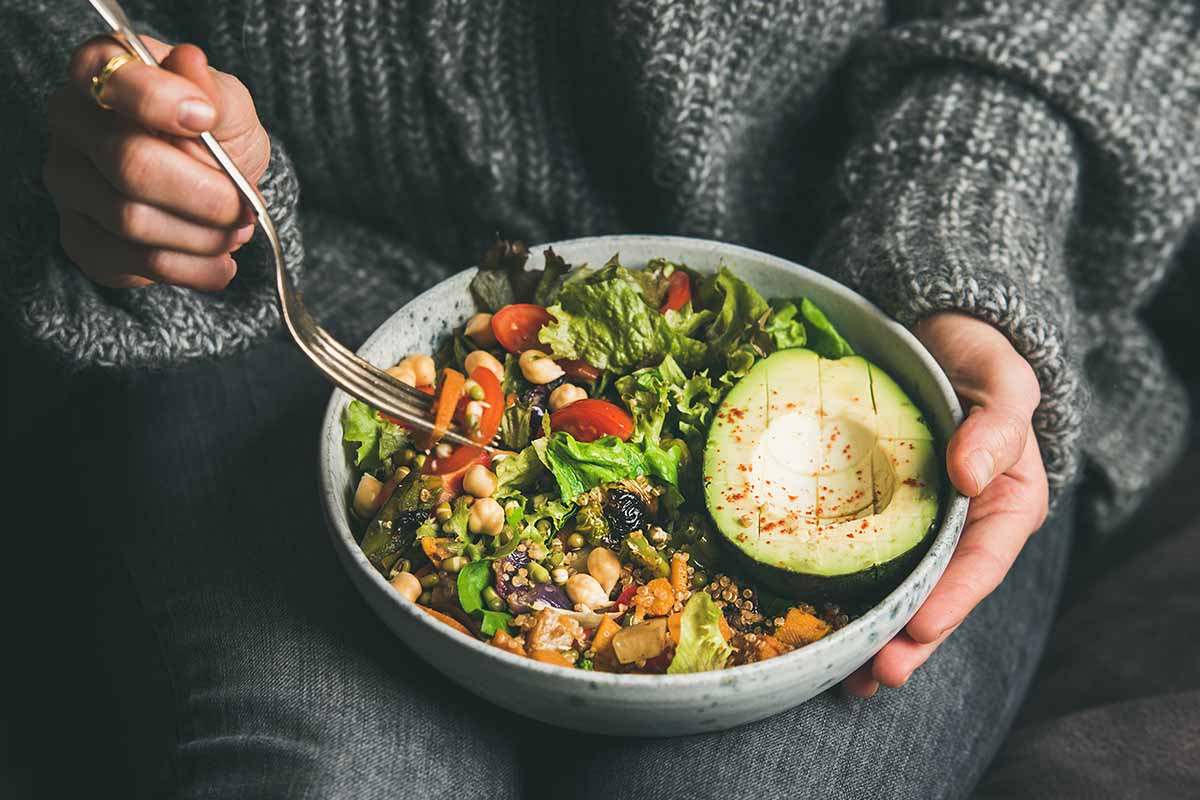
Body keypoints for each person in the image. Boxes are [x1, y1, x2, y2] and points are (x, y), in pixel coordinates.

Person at [1, 0, 1194, 797]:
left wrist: (967, 235)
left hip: (877, 292)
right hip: (268, 304)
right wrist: (116, 127)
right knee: (331, 771)